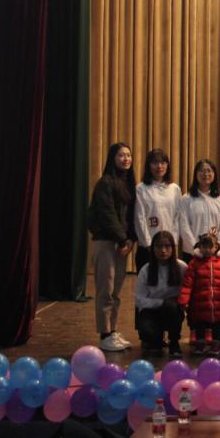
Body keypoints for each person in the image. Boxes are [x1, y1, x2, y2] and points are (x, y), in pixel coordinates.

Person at [88, 141, 136, 352]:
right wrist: (123, 239)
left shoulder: (129, 184)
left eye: (128, 155)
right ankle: (104, 334)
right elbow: (107, 214)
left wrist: (130, 239)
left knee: (116, 290)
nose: (126, 159)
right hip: (107, 242)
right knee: (105, 290)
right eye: (121, 155)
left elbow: (130, 216)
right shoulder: (105, 183)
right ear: (112, 158)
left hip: (122, 244)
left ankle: (112, 330)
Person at [178, 233, 220, 357]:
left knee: (217, 326)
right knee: (199, 325)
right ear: (199, 247)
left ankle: (216, 345)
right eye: (204, 246)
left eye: (210, 246)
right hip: (199, 305)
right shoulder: (193, 264)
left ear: (216, 247)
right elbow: (187, 284)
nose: (207, 249)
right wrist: (184, 301)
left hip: (218, 306)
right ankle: (200, 344)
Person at [134, 230, 188, 358]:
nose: (163, 250)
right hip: (151, 310)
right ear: (153, 248)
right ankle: (153, 339)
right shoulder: (146, 270)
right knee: (152, 342)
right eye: (158, 246)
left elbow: (187, 292)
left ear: (173, 248)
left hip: (173, 310)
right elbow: (139, 300)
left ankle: (174, 342)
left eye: (167, 246)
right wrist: (161, 303)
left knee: (172, 307)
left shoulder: (181, 267)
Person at [133, 149, 181, 274]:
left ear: (167, 165)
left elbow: (177, 217)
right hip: (147, 247)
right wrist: (148, 243)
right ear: (148, 166)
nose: (159, 166)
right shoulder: (141, 188)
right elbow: (139, 217)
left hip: (168, 247)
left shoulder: (175, 189)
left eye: (163, 162)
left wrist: (173, 242)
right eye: (155, 162)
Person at [177, 159, 220, 261]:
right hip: (192, 253)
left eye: (209, 171)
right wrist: (196, 247)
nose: (206, 174)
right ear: (195, 174)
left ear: (214, 174)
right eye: (202, 171)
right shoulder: (186, 199)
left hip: (216, 253)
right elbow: (184, 226)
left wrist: (217, 246)